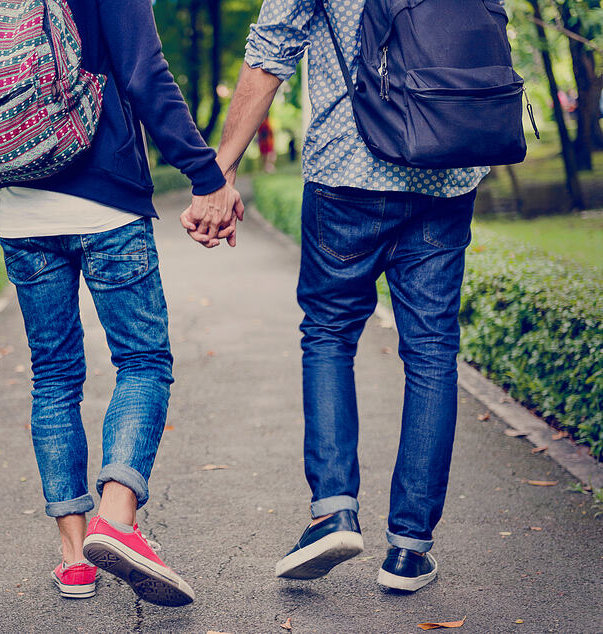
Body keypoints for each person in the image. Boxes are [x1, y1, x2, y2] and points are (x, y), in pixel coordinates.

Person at [0, 0, 242, 607]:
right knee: (143, 362)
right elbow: (143, 73)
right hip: (107, 203)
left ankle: (75, 560)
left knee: (53, 377)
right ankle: (116, 518)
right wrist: (206, 177)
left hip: (20, 209)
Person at [185, 0, 489, 592]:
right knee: (430, 352)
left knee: (328, 334)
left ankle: (333, 510)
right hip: (448, 171)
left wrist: (218, 173)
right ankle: (409, 549)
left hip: (349, 169)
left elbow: (271, 48)